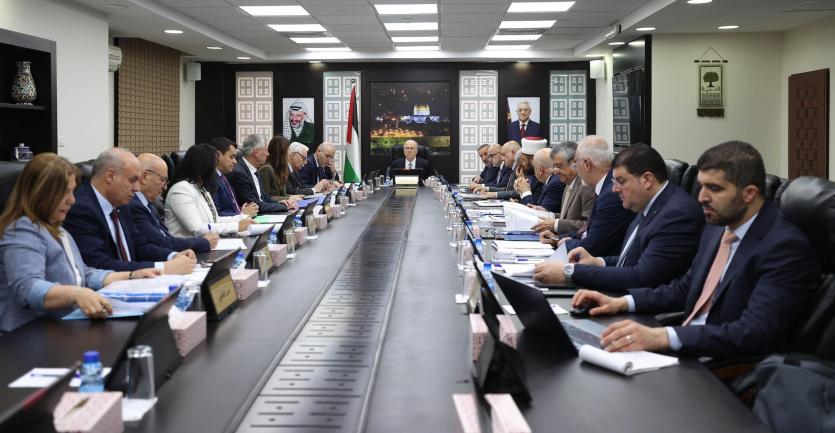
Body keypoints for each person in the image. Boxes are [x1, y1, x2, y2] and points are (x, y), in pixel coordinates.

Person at [572, 141, 820, 359]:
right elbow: (685, 288)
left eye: (715, 188)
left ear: (749, 194)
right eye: (701, 187)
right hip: (689, 345)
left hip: (724, 366)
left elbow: (752, 333)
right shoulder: (718, 227)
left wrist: (663, 337)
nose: (701, 197)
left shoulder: (784, 247)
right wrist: (622, 303)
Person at [0, 154, 159, 332]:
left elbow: (84, 274)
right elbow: (27, 288)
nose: (72, 200)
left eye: (72, 191)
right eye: (65, 192)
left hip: (59, 329)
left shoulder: (59, 230)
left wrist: (131, 276)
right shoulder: (22, 229)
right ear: (42, 193)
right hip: (25, 336)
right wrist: (77, 294)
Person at [533, 145, 704, 291]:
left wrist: (571, 272)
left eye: (620, 181)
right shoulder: (647, 203)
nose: (614, 189)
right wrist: (597, 262)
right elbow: (630, 260)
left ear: (647, 180)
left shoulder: (676, 215)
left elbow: (642, 277)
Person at [64, 148, 196, 274]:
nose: (137, 188)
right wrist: (163, 267)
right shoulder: (80, 209)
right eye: (132, 180)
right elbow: (99, 264)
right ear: (110, 176)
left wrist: (173, 256)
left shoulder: (122, 204)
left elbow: (140, 246)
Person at [556, 136, 635, 257]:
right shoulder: (605, 187)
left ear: (587, 164)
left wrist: (565, 244)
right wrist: (557, 238)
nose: (576, 169)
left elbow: (591, 247)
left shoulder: (611, 194)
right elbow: (588, 231)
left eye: (576, 164)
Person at [128, 153, 218, 253]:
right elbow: (160, 242)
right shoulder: (134, 206)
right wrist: (203, 242)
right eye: (163, 180)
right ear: (145, 177)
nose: (165, 187)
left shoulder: (148, 204)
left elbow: (165, 237)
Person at [165, 143, 254, 237]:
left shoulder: (201, 188)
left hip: (208, 243)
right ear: (204, 167)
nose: (215, 170)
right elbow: (197, 229)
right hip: (188, 245)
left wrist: (243, 218)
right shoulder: (181, 190)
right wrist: (237, 226)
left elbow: (214, 220)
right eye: (214, 165)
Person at [532, 141, 595, 235]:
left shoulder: (586, 185)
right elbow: (567, 217)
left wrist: (555, 224)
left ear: (574, 163)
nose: (555, 171)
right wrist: (549, 214)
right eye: (554, 166)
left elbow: (587, 225)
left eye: (559, 166)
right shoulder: (568, 182)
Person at [228, 134, 291, 214]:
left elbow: (264, 197)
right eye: (266, 150)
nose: (268, 154)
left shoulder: (255, 170)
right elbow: (254, 205)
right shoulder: (240, 173)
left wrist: (280, 203)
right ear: (256, 153)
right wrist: (284, 207)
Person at [208, 137, 258, 217]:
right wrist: (242, 214)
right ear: (218, 155)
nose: (235, 161)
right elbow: (216, 215)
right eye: (231, 157)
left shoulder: (223, 177)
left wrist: (241, 210)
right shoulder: (211, 180)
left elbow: (229, 208)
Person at [518, 147, 565, 213]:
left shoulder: (555, 183)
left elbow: (539, 214)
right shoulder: (549, 181)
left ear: (540, 170)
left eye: (535, 168)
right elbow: (537, 205)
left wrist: (525, 191)